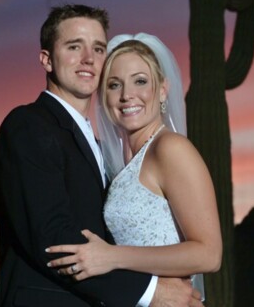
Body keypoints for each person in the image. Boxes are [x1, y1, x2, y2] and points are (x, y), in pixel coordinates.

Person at [0, 6, 203, 307]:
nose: (88, 58)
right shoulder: (27, 126)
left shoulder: (102, 147)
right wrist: (151, 291)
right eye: (74, 46)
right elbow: (52, 237)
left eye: (98, 48)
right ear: (46, 59)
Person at [46, 33, 222, 301]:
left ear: (162, 90)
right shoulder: (120, 164)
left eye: (140, 81)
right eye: (114, 85)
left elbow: (209, 255)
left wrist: (111, 257)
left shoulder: (170, 149)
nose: (127, 95)